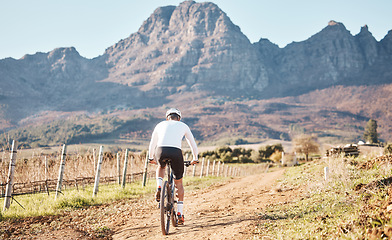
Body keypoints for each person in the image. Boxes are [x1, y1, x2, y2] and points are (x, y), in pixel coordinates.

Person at [148, 108, 199, 225]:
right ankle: (180, 214)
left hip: (161, 150)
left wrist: (151, 157)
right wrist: (195, 158)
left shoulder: (160, 125)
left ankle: (159, 187)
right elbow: (192, 143)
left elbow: (153, 142)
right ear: (179, 118)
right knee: (179, 183)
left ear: (167, 118)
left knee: (161, 167)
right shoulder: (183, 126)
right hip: (176, 152)